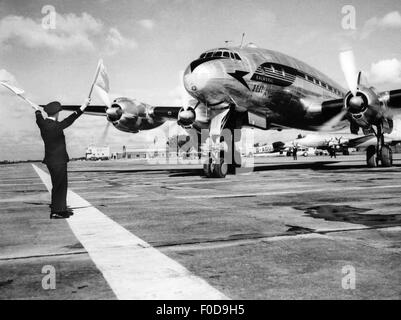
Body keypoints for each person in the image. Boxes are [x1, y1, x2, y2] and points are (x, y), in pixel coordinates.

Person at [33, 99, 91, 219]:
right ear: (57, 113)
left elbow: (38, 117)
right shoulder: (57, 126)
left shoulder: (42, 124)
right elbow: (71, 118)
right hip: (59, 161)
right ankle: (57, 211)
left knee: (57, 186)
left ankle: (60, 208)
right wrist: (83, 106)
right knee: (61, 186)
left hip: (50, 161)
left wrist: (37, 110)